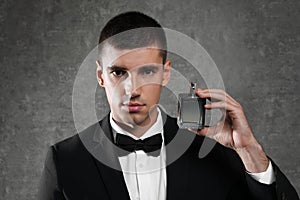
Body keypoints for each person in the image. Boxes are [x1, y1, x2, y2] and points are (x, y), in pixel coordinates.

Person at [38, 11, 299, 200]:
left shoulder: (213, 152)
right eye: (119, 73)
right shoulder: (65, 160)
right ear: (100, 76)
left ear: (166, 74)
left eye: (147, 72)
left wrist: (250, 151)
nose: (133, 90)